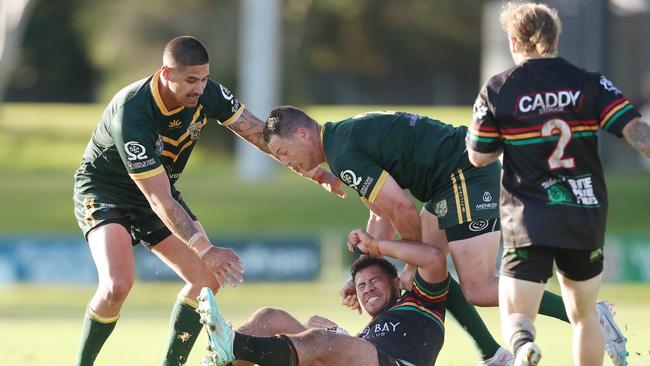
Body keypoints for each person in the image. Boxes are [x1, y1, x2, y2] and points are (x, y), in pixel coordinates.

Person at [72, 36, 341, 366]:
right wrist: (205, 248)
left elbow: (257, 132)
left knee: (207, 279)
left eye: (203, 78)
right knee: (117, 285)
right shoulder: (133, 113)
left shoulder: (207, 93)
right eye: (190, 80)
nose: (199, 88)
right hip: (106, 192)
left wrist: (312, 170)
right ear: (166, 73)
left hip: (160, 188)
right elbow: (159, 201)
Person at [260, 106, 588, 365]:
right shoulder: (341, 140)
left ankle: (585, 313)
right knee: (433, 270)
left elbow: (402, 210)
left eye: (282, 153)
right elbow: (382, 212)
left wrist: (410, 266)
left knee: (477, 286)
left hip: (464, 174)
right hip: (451, 179)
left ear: (302, 133)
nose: (287, 163)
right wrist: (363, 270)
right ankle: (494, 354)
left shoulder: (342, 153)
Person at [466, 3, 650, 365]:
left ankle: (523, 347)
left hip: (528, 218)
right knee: (584, 317)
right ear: (555, 37)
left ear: (514, 40)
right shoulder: (590, 82)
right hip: (584, 215)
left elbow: (478, 155)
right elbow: (637, 133)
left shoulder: (500, 88)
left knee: (517, 314)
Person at [198, 228, 451, 366]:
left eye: (375, 281)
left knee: (321, 340)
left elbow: (433, 258)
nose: (367, 288)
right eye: (360, 286)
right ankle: (219, 360)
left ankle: (231, 344)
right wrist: (338, 333)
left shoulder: (421, 301)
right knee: (270, 317)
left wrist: (376, 246)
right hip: (364, 357)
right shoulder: (367, 332)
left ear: (396, 283)